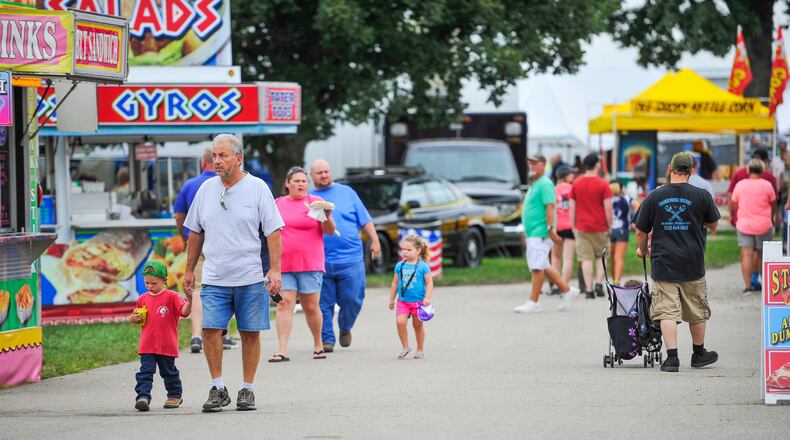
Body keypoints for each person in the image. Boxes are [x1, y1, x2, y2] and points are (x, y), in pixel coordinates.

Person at [183, 134, 284, 413]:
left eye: (223, 155)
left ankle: (247, 390)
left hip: (250, 276)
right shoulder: (205, 189)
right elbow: (195, 232)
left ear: (239, 158)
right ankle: (217, 387)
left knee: (250, 333)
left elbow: (274, 231)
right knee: (210, 330)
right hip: (215, 276)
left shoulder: (257, 188)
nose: (217, 160)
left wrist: (275, 269)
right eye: (215, 155)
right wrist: (189, 270)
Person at [634, 152, 721, 373]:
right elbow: (714, 225)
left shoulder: (654, 196)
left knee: (666, 311)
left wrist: (642, 250)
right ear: (691, 171)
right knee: (696, 309)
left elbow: (640, 230)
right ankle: (699, 353)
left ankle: (672, 358)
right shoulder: (702, 195)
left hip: (664, 262)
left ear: (671, 169)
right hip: (693, 262)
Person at [309, 159, 381, 353]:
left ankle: (345, 326)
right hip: (320, 260)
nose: (323, 175)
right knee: (323, 304)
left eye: (326, 171)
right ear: (311, 176)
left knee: (353, 299)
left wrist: (374, 240)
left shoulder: (347, 192)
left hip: (350, 258)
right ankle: (327, 339)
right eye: (319, 173)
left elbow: (364, 219)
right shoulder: (308, 197)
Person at [269, 166, 336, 362]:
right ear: (287, 184)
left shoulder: (315, 203)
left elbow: (330, 230)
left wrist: (327, 216)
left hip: (310, 263)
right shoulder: (277, 204)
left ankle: (318, 345)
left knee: (311, 306)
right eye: (296, 181)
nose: (301, 184)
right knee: (284, 305)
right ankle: (282, 350)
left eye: (304, 181)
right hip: (284, 264)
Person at [174, 147, 236, 353]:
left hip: (197, 243)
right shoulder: (232, 183)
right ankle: (223, 333)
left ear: (202, 163)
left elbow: (180, 216)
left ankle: (195, 336)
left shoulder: (190, 185)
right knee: (227, 286)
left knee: (198, 289)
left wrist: (186, 239)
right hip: (223, 245)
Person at [513, 154, 580, 313]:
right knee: (543, 264)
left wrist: (550, 229)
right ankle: (567, 290)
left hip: (541, 232)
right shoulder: (535, 184)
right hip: (534, 232)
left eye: (535, 163)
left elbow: (550, 207)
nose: (531, 166)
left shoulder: (545, 184)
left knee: (537, 267)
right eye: (529, 163)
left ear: (543, 165)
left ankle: (533, 302)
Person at [130, 260, 192, 411]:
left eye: (153, 283)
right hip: (147, 345)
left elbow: (184, 312)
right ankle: (143, 397)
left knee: (168, 372)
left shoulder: (172, 296)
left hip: (166, 344)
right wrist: (133, 319)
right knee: (145, 372)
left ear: (164, 281)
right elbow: (135, 316)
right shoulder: (142, 298)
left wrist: (190, 300)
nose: (150, 286)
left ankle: (174, 395)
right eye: (147, 282)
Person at [727, 148, 778, 288]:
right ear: (762, 170)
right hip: (763, 224)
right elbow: (773, 203)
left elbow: (734, 201)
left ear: (749, 170)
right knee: (762, 255)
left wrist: (740, 213)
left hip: (744, 224)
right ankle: (766, 285)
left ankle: (747, 285)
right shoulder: (767, 185)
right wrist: (772, 217)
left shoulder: (740, 185)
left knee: (747, 254)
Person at [570, 153, 613, 299]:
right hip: (600, 227)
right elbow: (608, 208)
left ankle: (588, 290)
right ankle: (599, 284)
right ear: (597, 165)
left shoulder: (576, 183)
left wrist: (573, 225)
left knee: (586, 258)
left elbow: (572, 206)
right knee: (601, 257)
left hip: (582, 227)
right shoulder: (603, 184)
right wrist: (610, 226)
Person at [388, 235, 433, 359]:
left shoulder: (423, 266)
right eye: (403, 249)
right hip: (403, 301)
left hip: (419, 302)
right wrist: (391, 299)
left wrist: (428, 298)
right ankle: (405, 346)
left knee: (417, 325)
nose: (404, 252)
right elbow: (395, 283)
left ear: (418, 250)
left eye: (408, 250)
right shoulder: (399, 266)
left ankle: (420, 348)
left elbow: (429, 283)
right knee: (400, 322)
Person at [550, 165, 576, 290]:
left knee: (555, 257)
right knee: (568, 257)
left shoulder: (553, 190)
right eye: (571, 173)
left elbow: (551, 209)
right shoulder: (573, 189)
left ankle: (556, 284)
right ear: (565, 176)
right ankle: (564, 285)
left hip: (557, 226)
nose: (573, 175)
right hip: (571, 226)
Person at [609, 180, 634, 285]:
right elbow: (638, 205)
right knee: (619, 258)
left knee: (611, 257)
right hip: (623, 230)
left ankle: (613, 278)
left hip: (609, 231)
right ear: (621, 188)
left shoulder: (606, 199)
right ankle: (617, 281)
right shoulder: (626, 198)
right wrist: (634, 221)